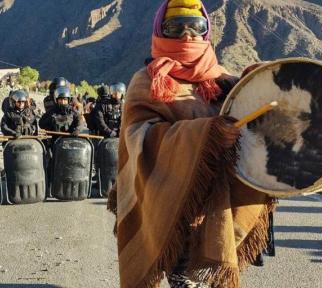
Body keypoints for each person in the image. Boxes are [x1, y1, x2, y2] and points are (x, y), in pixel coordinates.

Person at [108, 1, 275, 287]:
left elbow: (251, 116)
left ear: (207, 31)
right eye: (175, 27)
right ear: (161, 32)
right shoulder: (145, 82)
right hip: (176, 207)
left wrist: (260, 82)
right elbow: (140, 139)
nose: (187, 35)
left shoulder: (224, 80)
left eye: (196, 27)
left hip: (222, 207)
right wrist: (206, 134)